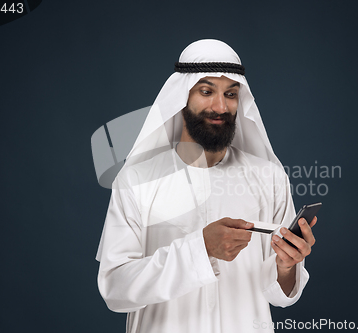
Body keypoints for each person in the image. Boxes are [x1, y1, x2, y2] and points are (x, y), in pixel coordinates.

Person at [95, 39, 317, 333]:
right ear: (181, 96)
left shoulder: (269, 177)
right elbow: (115, 289)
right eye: (206, 91)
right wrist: (200, 249)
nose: (220, 106)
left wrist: (287, 266)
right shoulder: (136, 180)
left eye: (231, 94)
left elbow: (278, 293)